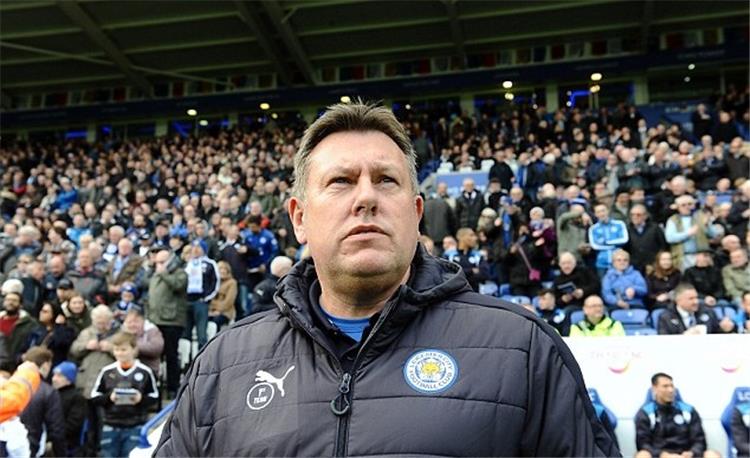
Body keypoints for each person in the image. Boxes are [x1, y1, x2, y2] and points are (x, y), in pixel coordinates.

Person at [155, 102, 618, 456]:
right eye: (341, 181)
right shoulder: (223, 366)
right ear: (299, 218)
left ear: (416, 214)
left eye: (386, 180)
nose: (366, 198)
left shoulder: (522, 350)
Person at [90, 331, 158, 458]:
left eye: (124, 349)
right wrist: (109, 398)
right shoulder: (107, 371)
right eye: (116, 350)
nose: (120, 353)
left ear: (134, 350)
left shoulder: (145, 372)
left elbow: (154, 397)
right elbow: (94, 397)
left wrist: (141, 399)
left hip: (135, 425)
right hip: (110, 425)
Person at [634, 372, 717, 458]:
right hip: (660, 455)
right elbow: (643, 444)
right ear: (654, 389)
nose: (670, 390)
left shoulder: (688, 411)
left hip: (686, 455)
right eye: (665, 386)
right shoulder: (646, 412)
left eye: (672, 386)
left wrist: (692, 452)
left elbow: (699, 440)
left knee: (712, 454)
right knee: (642, 455)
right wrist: (663, 455)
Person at [146, 247, 187, 398]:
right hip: (154, 319)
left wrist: (163, 273)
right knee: (153, 354)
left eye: (162, 262)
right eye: (157, 262)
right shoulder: (154, 274)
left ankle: (173, 387)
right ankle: (152, 386)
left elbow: (178, 285)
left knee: (171, 355)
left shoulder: (180, 273)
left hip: (171, 321)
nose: (159, 265)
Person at [18, 346, 67, 457]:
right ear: (45, 365)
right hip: (32, 448)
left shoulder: (8, 385)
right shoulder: (48, 392)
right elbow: (57, 430)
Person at [184, 239, 220, 350]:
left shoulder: (210, 264)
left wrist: (206, 298)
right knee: (185, 333)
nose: (195, 249)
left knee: (201, 334)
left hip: (201, 301)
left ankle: (202, 357)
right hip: (186, 301)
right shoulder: (187, 264)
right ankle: (187, 358)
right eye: (193, 247)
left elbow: (215, 282)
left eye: (198, 247)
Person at [657, 283, 735, 335]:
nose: (696, 301)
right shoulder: (666, 317)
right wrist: (683, 338)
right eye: (691, 298)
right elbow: (663, 342)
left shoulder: (708, 312)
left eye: (696, 297)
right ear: (678, 300)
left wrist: (726, 328)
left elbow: (716, 332)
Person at [664, 195, 715, 271]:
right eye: (683, 205)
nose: (687, 207)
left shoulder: (701, 217)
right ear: (678, 207)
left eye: (690, 204)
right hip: (682, 257)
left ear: (694, 205)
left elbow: (713, 235)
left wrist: (708, 226)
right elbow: (670, 238)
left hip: (702, 256)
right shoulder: (673, 220)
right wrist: (687, 234)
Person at [51, 361, 86, 457]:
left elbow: (73, 424)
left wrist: (55, 436)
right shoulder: (51, 394)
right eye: (54, 375)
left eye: (59, 376)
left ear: (69, 380)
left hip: (68, 447)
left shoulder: (77, 397)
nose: (54, 379)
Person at [588, 203, 629, 277]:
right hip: (602, 262)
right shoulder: (593, 228)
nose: (601, 214)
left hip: (619, 260)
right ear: (595, 214)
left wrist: (607, 242)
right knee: (604, 283)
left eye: (603, 211)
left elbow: (624, 239)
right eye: (598, 212)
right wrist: (614, 246)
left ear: (608, 211)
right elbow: (594, 246)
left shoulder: (619, 224)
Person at [625, 204, 667, 274]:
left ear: (645, 216)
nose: (635, 217)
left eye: (638, 215)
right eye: (632, 215)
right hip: (634, 267)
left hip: (653, 266)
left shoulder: (655, 228)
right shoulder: (627, 229)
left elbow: (663, 246)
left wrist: (656, 263)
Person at [122, 308, 164, 377]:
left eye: (136, 322)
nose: (132, 325)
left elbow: (156, 348)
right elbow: (114, 346)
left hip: (149, 370)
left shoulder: (152, 331)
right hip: (125, 369)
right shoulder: (121, 332)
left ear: (143, 322)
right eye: (129, 322)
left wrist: (132, 346)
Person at [0, 291, 38, 367]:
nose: (10, 303)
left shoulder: (30, 323)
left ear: (20, 305)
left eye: (14, 300)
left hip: (16, 364)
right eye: (8, 300)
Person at [209, 261, 237, 329]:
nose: (222, 271)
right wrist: (211, 311)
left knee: (216, 321)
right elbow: (209, 300)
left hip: (226, 312)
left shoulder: (232, 282)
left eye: (225, 269)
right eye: (220, 269)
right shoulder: (213, 282)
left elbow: (229, 302)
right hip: (211, 312)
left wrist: (218, 310)